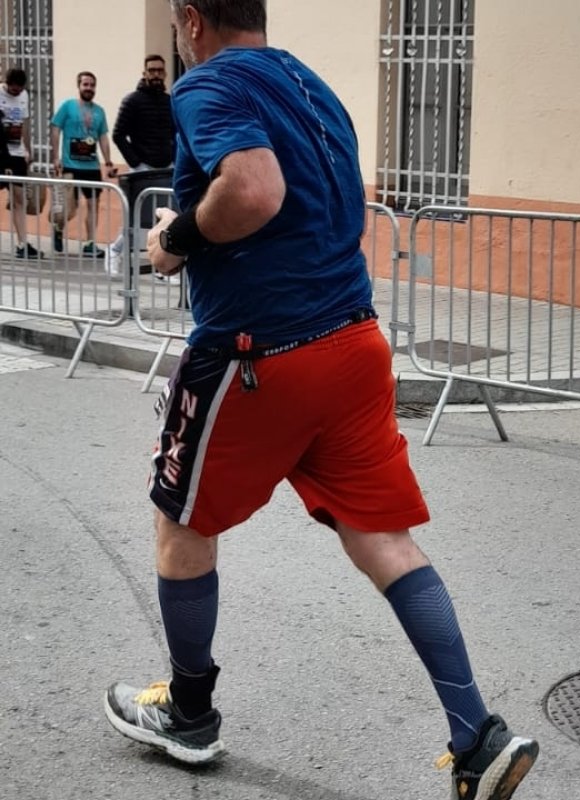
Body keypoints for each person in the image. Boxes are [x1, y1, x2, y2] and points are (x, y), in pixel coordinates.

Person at [102, 2, 538, 798]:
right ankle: (477, 735)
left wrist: (174, 240)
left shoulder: (207, 86)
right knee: (385, 540)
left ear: (191, 20)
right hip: (353, 341)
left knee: (181, 521)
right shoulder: (311, 84)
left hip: (258, 352)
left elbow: (255, 189)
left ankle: (189, 715)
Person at [106, 53, 175, 278]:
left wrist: (174, 157)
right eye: (151, 70)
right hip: (142, 169)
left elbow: (176, 133)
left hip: (166, 167)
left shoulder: (170, 101)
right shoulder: (132, 101)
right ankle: (114, 251)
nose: (156, 74)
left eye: (159, 70)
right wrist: (136, 162)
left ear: (165, 73)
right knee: (137, 220)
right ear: (144, 73)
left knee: (167, 219)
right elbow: (118, 135)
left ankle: (162, 267)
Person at [50, 71, 117, 258]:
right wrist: (55, 157)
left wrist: (108, 161)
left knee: (93, 204)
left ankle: (90, 243)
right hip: (70, 165)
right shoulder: (68, 106)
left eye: (92, 85)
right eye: (85, 84)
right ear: (78, 86)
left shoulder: (99, 111)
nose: (89, 88)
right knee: (68, 208)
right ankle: (58, 228)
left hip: (91, 167)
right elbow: (55, 129)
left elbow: (103, 137)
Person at [0, 68, 41, 259]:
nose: (16, 92)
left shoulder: (24, 96)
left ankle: (22, 243)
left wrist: (28, 149)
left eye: (19, 89)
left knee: (19, 199)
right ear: (6, 84)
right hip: (1, 152)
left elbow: (25, 124)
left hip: (17, 153)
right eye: (12, 90)